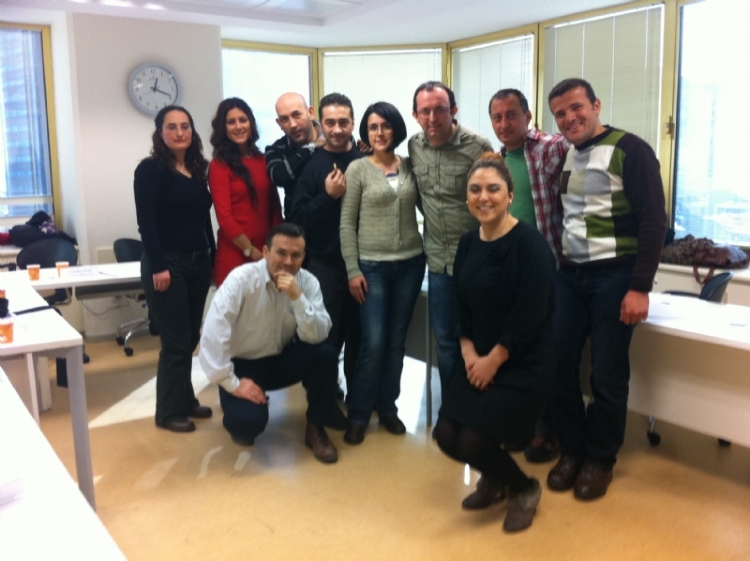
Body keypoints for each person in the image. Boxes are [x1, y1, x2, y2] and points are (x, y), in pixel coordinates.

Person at [545, 78, 667, 500]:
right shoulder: (566, 155)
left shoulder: (629, 149)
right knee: (556, 363)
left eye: (576, 107)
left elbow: (654, 220)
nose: (569, 118)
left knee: (607, 372)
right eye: (560, 113)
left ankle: (599, 460)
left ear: (595, 105)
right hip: (569, 275)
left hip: (615, 276)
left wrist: (640, 287)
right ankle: (571, 450)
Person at [434, 153, 556, 533]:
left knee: (471, 443)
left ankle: (523, 488)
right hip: (477, 357)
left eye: (493, 189)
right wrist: (469, 352)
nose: (483, 197)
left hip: (521, 363)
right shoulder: (468, 243)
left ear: (510, 194)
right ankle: (496, 477)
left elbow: (530, 315)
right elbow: (460, 306)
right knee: (446, 436)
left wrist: (494, 359)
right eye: (475, 190)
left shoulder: (531, 246)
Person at [198, 223, 340, 464]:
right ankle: (236, 403)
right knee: (246, 425)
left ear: (303, 256)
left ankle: (315, 428)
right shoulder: (241, 280)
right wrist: (232, 384)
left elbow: (318, 335)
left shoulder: (307, 282)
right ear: (265, 252)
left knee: (325, 354)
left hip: (279, 360)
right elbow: (212, 334)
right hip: (243, 365)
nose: (288, 262)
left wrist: (297, 298)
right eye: (281, 253)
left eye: (296, 255)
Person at [489, 88, 569, 463]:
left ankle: (547, 430)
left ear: (528, 116)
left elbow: (585, 145)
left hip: (550, 270)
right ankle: (521, 423)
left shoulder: (551, 148)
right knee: (515, 351)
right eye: (497, 117)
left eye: (511, 115)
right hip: (510, 274)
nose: (504, 123)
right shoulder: (497, 161)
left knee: (545, 353)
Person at [339, 102, 425, 445]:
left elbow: (428, 206)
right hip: (371, 267)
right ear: (366, 131)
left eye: (385, 126)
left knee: (396, 341)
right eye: (373, 127)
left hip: (410, 264)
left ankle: (388, 407)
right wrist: (352, 269)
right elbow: (347, 223)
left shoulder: (410, 166)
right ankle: (359, 414)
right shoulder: (358, 169)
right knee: (373, 342)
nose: (379, 133)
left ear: (396, 129)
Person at [408, 81, 493, 400]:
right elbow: (420, 197)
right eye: (425, 111)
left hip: (476, 261)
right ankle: (453, 406)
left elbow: (493, 201)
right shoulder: (414, 146)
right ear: (415, 115)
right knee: (444, 339)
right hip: (438, 263)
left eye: (440, 109)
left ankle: (480, 407)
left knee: (480, 339)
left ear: (453, 110)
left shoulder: (477, 145)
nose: (433, 118)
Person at [134, 105, 215, 433]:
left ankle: (186, 399)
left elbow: (203, 219)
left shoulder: (197, 169)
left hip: (199, 262)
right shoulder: (151, 170)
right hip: (168, 264)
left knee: (191, 337)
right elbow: (146, 223)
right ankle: (168, 412)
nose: (180, 132)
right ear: (160, 133)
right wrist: (158, 266)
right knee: (176, 342)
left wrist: (213, 256)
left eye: (185, 126)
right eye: (172, 127)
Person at [290, 92, 365, 403]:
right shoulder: (311, 166)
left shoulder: (365, 160)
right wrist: (328, 197)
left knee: (359, 336)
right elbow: (298, 218)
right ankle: (324, 400)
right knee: (326, 336)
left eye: (343, 122)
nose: (337, 129)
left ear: (353, 123)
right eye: (330, 122)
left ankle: (358, 398)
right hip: (325, 264)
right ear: (321, 123)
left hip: (363, 265)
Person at [209, 98, 282, 286]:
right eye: (231, 122)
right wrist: (251, 251)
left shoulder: (264, 160)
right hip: (236, 256)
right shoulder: (219, 166)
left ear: (251, 123)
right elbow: (225, 218)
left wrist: (274, 248)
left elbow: (274, 209)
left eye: (243, 120)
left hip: (267, 254)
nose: (238, 126)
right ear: (223, 128)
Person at [266, 92, 326, 217]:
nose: (292, 124)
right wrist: (312, 147)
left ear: (310, 113)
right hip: (297, 224)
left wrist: (366, 147)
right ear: (279, 123)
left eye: (296, 115)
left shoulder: (334, 135)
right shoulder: (276, 149)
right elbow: (279, 177)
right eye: (284, 119)